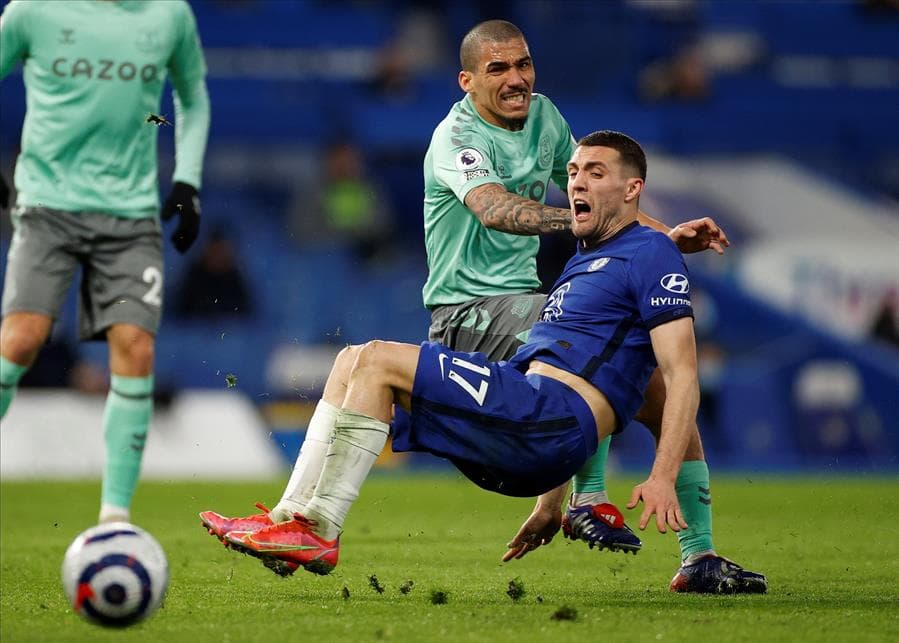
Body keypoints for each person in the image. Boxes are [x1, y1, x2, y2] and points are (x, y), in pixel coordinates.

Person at [203, 20, 737, 590]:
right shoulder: (456, 138)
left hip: (529, 308)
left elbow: (603, 199)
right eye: (498, 69)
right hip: (472, 312)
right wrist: (586, 226)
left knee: (653, 388)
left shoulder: (547, 119)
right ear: (466, 81)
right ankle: (590, 497)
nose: (516, 79)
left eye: (523, 64)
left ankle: (697, 552)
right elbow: (497, 209)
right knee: (612, 338)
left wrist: (661, 234)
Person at [0, 0, 210, 524]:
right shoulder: (32, 12)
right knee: (19, 341)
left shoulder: (168, 16)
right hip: (47, 207)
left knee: (135, 348)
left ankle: (114, 519)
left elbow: (192, 96)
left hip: (129, 215)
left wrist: (188, 181)